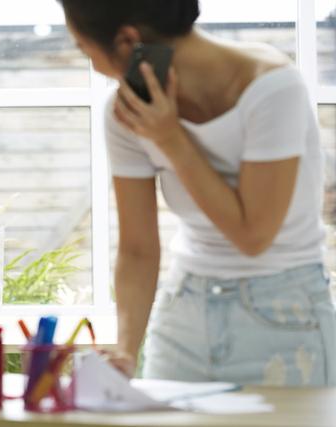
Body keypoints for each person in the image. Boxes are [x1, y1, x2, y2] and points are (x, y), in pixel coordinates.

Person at [58, 0, 336, 386]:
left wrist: (171, 139)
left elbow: (253, 235)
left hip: (286, 316)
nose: (90, 63)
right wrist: (125, 348)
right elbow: (138, 248)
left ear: (127, 40)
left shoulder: (272, 87)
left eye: (83, 48)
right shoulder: (126, 112)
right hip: (183, 315)